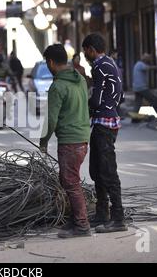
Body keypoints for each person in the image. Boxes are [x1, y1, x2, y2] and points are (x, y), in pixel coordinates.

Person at [39, 44, 92, 238]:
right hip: (83, 138)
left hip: (70, 141)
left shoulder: (58, 86)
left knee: (70, 182)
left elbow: (51, 119)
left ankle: (82, 225)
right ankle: (74, 219)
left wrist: (43, 142)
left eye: (47, 63)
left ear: (51, 62)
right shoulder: (81, 81)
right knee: (69, 180)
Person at [82, 33, 128, 233]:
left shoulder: (100, 67)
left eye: (86, 52)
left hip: (104, 123)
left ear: (92, 49)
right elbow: (122, 95)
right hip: (107, 121)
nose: (85, 56)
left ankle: (118, 218)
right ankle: (102, 213)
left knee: (107, 171)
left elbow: (97, 100)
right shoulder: (111, 63)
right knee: (97, 169)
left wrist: (84, 107)